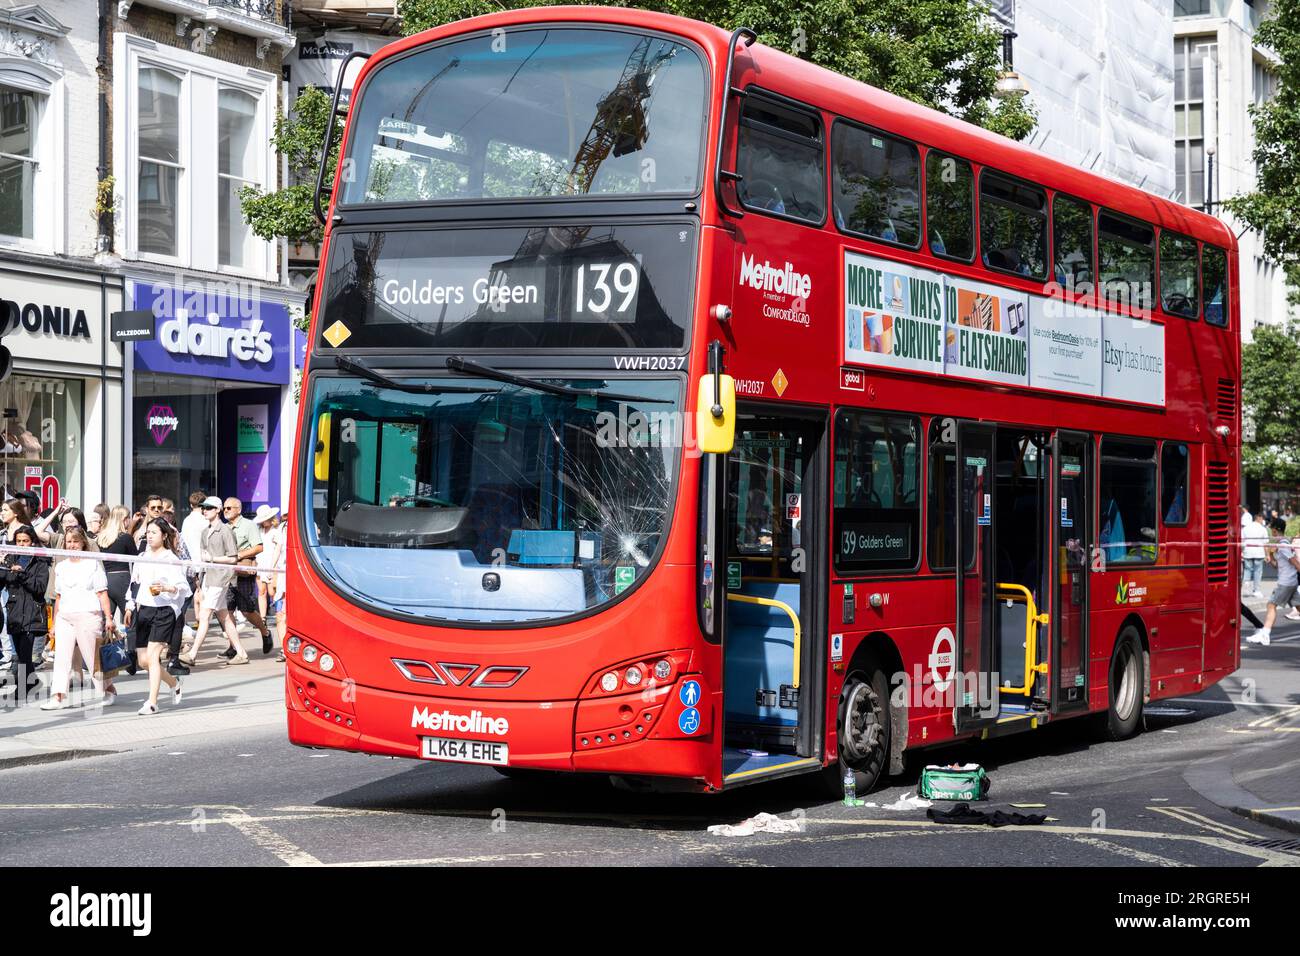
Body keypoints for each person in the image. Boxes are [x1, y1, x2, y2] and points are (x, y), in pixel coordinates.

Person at [41, 527, 116, 709]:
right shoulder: (61, 566)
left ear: (83, 542)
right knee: (61, 658)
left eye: (75, 541)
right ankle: (58, 696)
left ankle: (108, 689)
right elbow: (58, 597)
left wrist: (109, 618)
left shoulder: (93, 564)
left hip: (89, 615)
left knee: (92, 658)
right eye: (69, 541)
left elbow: (102, 593)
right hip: (65, 617)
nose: (72, 545)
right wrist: (54, 624)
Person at [125, 518, 189, 715]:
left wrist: (168, 588)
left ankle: (152, 702)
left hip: (164, 610)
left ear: (163, 535)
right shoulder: (142, 556)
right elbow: (134, 584)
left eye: (154, 532)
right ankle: (173, 682)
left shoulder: (171, 558)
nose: (150, 536)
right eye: (148, 532)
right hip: (143, 609)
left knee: (153, 656)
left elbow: (183, 587)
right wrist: (129, 606)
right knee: (143, 660)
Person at [181, 497, 246, 666]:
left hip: (220, 578)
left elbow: (233, 558)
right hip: (209, 577)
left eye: (209, 508)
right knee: (224, 617)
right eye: (204, 508)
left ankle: (193, 654)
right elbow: (204, 557)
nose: (205, 510)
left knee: (205, 615)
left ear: (218, 509)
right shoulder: (205, 531)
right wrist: (199, 580)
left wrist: (213, 558)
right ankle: (241, 652)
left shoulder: (225, 531)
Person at [0, 525, 49, 703]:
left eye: (25, 541)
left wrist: (21, 574)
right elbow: (3, 583)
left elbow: (39, 588)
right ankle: (32, 681)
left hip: (32, 611)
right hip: (14, 612)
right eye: (19, 541)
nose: (22, 544)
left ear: (33, 542)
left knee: (25, 654)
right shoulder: (10, 558)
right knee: (20, 654)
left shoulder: (40, 562)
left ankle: (22, 688)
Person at [224, 497, 274, 655]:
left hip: (244, 573)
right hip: (227, 573)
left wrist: (238, 555)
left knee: (247, 611)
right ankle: (232, 647)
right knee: (228, 610)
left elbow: (259, 547)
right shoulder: (224, 528)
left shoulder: (249, 525)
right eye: (224, 508)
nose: (225, 511)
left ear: (238, 509)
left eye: (229, 508)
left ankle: (265, 632)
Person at [1250, 518, 1300, 647]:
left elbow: (1294, 562)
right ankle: (1264, 634)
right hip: (1290, 582)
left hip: (1286, 583)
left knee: (1271, 605)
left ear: (1275, 530)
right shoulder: (1280, 544)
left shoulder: (1283, 544)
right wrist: (1270, 555)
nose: (1271, 531)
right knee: (1299, 607)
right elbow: (1277, 566)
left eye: (1272, 529)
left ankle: (1265, 634)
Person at [1242, 512, 1269, 599]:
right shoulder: (1263, 529)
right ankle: (1256, 591)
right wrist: (1267, 555)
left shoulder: (1245, 528)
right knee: (1257, 571)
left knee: (1247, 569)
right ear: (1260, 518)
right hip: (1259, 553)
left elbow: (1242, 542)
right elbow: (1265, 543)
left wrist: (1242, 552)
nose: (1263, 521)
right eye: (1263, 519)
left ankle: (1246, 589)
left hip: (1247, 552)